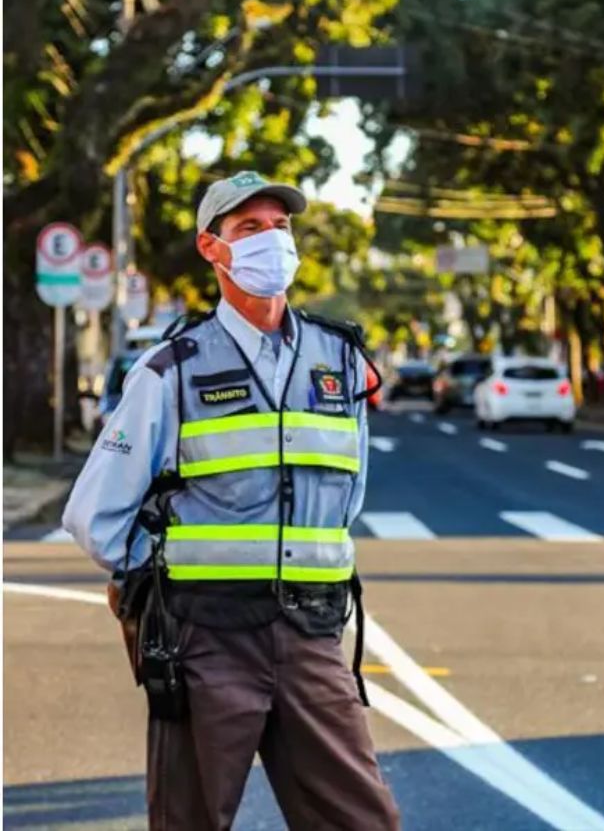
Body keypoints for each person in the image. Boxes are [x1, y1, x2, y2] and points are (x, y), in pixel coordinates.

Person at [63, 170, 400, 831]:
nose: (271, 240)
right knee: (188, 820)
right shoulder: (172, 368)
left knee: (363, 821)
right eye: (249, 228)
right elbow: (95, 515)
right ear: (211, 247)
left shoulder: (339, 359)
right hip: (205, 636)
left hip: (311, 634)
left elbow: (346, 497)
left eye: (280, 226)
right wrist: (157, 578)